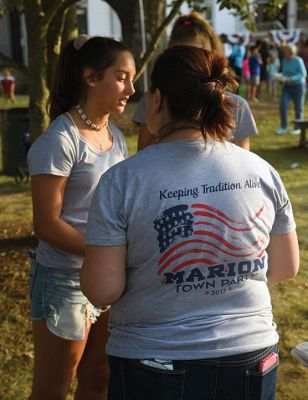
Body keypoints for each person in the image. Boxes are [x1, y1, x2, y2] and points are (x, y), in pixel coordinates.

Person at [81, 45, 299, 400]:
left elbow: (102, 290)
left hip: (152, 360)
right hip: (251, 357)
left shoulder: (122, 181)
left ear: (157, 100)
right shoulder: (261, 170)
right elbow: (287, 266)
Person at [27, 35, 135, 399]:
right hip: (63, 280)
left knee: (99, 378)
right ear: (90, 76)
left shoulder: (116, 136)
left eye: (132, 79)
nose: (131, 89)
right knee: (52, 390)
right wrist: (104, 252)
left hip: (105, 278)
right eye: (121, 77)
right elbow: (47, 224)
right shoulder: (60, 139)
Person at [133, 12, 258, 151]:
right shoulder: (153, 98)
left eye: (198, 55)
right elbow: (143, 153)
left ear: (214, 56)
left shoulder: (236, 106)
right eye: (182, 58)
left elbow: (242, 159)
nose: (190, 65)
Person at [275, 44, 307, 135]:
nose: (283, 53)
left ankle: (297, 128)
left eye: (285, 51)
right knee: (283, 106)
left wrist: (291, 78)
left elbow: (303, 74)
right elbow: (284, 73)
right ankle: (283, 127)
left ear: (291, 52)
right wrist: (280, 78)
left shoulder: (298, 60)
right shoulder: (284, 60)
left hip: (299, 86)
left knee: (298, 108)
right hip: (287, 87)